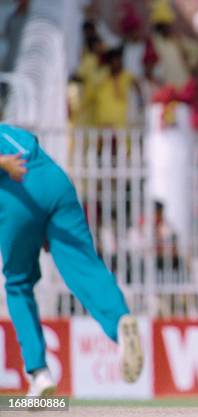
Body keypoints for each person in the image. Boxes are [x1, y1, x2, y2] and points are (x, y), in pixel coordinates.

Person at [0, 124, 143, 395]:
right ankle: (120, 321)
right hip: (54, 181)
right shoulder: (8, 130)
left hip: (14, 186)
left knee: (18, 285)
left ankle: (39, 373)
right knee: (85, 264)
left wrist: (3, 162)